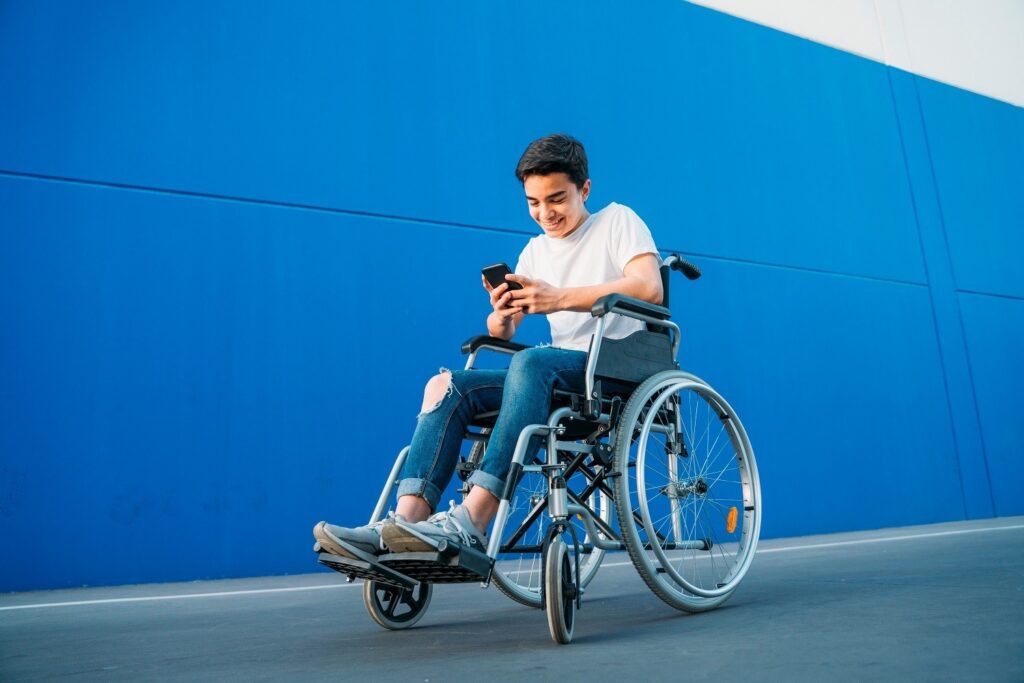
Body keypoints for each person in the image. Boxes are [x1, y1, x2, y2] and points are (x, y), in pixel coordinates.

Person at [313, 133, 663, 557]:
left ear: (584, 190)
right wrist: (500, 312)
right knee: (447, 387)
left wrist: (558, 298)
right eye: (534, 202)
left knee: (533, 364)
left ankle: (472, 520)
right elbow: (503, 333)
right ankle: (404, 525)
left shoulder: (617, 221)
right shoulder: (535, 251)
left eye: (556, 199)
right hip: (558, 376)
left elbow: (649, 287)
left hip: (614, 371)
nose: (544, 213)